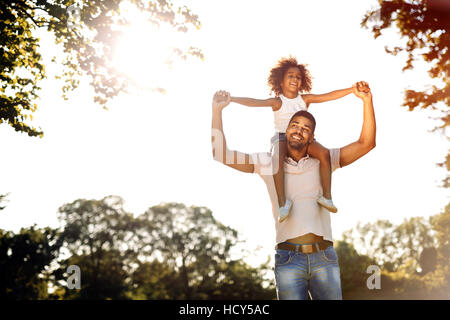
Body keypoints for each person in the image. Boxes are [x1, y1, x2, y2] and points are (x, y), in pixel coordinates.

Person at [211, 81, 376, 300]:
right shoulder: (267, 163)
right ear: (285, 130)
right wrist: (217, 111)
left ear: (312, 138)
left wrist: (367, 101)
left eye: (306, 129)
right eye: (295, 125)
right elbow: (220, 154)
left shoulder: (324, 161)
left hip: (324, 257)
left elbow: (367, 143)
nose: (299, 130)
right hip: (288, 259)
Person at [230, 57, 356, 222]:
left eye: (298, 77)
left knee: (324, 154)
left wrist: (352, 89)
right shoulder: (277, 102)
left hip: (303, 138)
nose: (294, 79)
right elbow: (254, 102)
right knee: (277, 159)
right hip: (282, 138)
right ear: (281, 81)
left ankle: (326, 196)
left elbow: (328, 96)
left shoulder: (304, 100)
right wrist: (231, 99)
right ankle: (283, 204)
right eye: (290, 75)